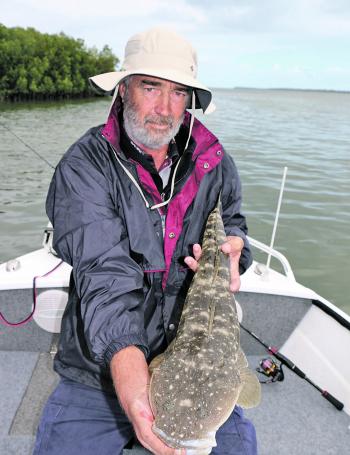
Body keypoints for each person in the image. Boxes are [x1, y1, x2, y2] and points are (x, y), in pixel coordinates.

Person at [33, 27, 257, 455]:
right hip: (99, 367)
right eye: (150, 87)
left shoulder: (214, 161)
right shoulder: (85, 167)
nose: (164, 107)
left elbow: (232, 219)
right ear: (122, 90)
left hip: (194, 355)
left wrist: (235, 248)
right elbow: (105, 276)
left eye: (177, 93)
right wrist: (133, 386)